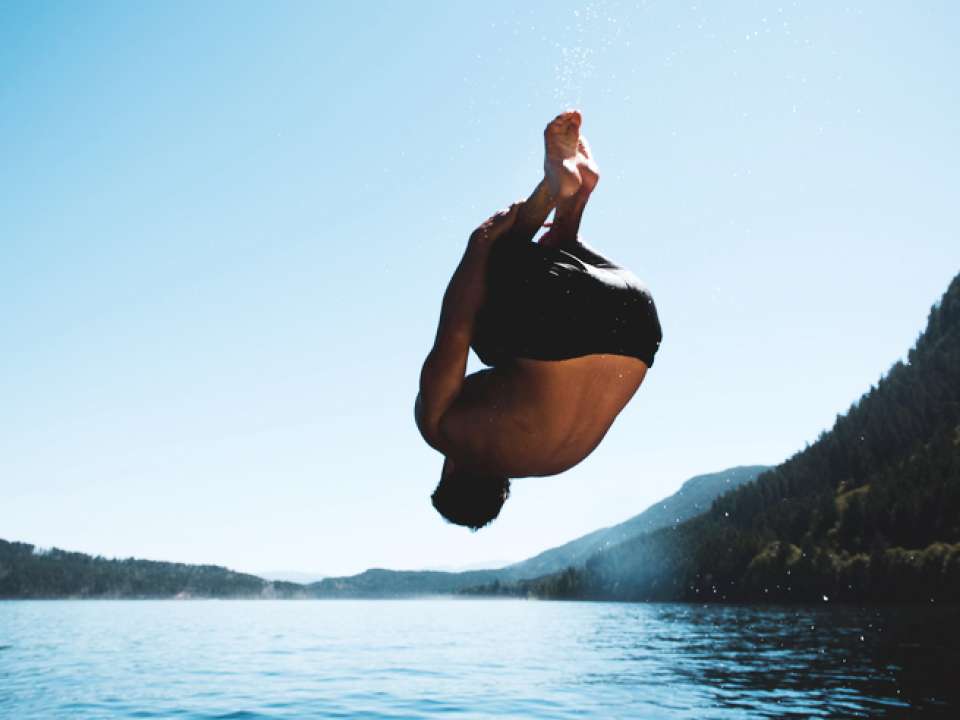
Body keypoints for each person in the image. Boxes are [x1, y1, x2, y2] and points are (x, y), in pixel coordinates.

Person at [415, 110, 662, 530]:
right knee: (484, 311)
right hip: (560, 326)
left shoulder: (554, 462)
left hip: (637, 317)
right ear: (450, 472)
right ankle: (557, 188)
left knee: (537, 305)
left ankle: (574, 199)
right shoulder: (442, 431)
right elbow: (454, 332)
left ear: (502, 488)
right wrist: (479, 244)